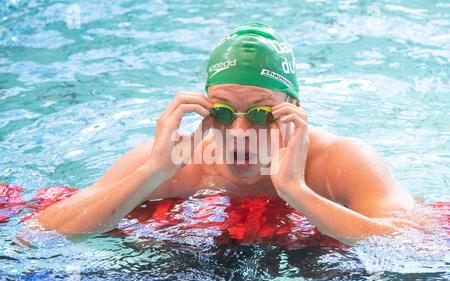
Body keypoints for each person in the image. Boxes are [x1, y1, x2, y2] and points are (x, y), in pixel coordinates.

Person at [34, 23, 417, 244]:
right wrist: (152, 172)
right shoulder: (177, 161)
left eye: (261, 113)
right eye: (221, 111)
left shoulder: (338, 163)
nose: (239, 131)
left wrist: (296, 191)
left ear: (294, 110)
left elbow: (414, 245)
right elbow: (41, 233)